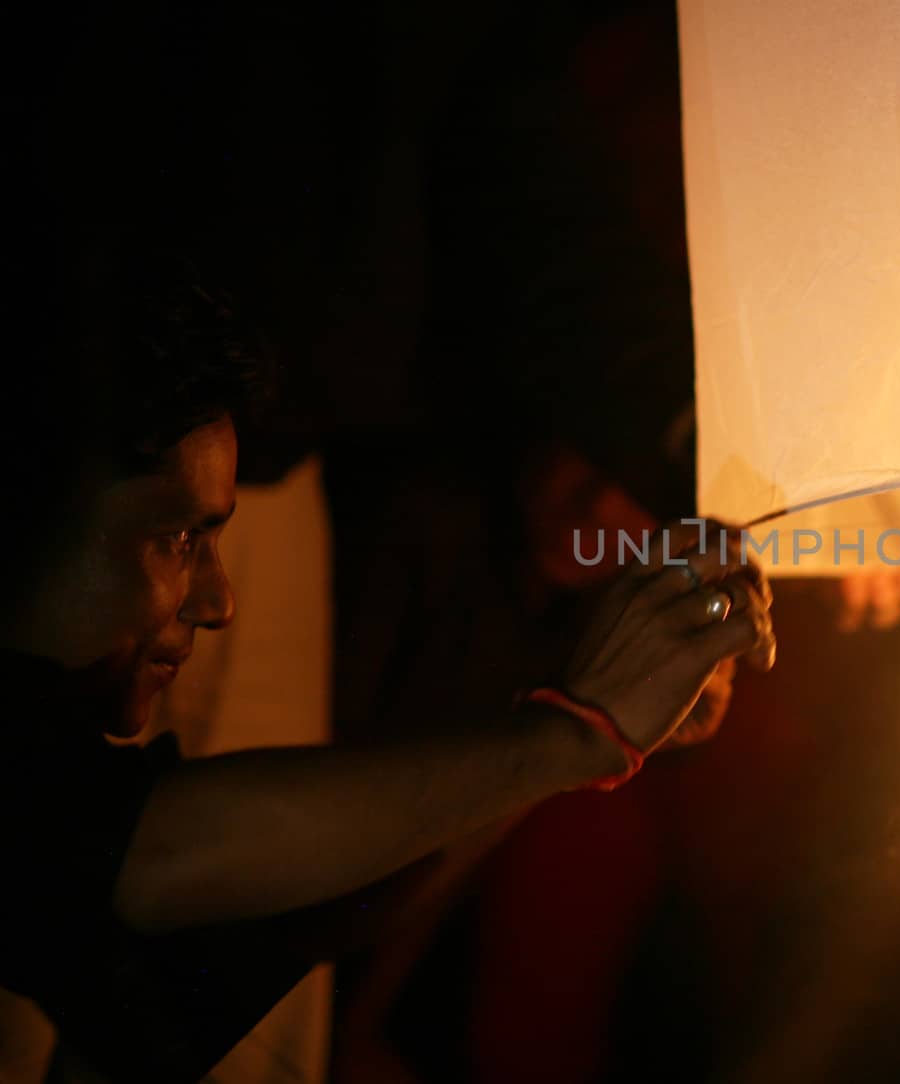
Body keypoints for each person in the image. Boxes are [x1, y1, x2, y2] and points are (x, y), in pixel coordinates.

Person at [0, 243, 775, 1082]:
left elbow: (257, 918)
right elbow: (137, 852)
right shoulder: (410, 527)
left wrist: (580, 732)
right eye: (177, 537)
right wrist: (577, 732)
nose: (218, 602)